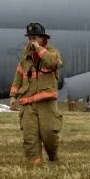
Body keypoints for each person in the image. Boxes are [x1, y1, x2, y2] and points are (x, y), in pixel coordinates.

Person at [9, 22, 64, 165]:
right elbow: (18, 77)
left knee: (49, 134)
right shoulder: (25, 57)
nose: (32, 41)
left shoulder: (52, 52)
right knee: (30, 136)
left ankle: (53, 158)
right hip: (27, 103)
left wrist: (39, 49)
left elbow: (53, 63)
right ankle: (35, 165)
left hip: (46, 102)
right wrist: (13, 96)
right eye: (30, 38)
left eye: (35, 38)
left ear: (42, 38)